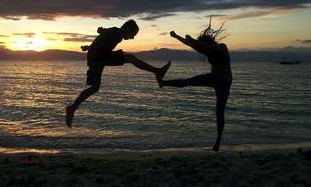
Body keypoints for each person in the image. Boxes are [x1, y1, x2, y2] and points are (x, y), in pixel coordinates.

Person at [66, 19, 171, 128]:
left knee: (95, 87)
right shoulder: (116, 34)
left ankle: (73, 108)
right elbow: (104, 37)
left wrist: (92, 42)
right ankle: (158, 72)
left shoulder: (115, 32)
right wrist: (91, 46)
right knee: (131, 59)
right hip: (98, 58)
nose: (132, 37)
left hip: (98, 56)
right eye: (132, 34)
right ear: (127, 29)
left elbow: (103, 35)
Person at [156, 19, 232, 152]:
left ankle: (218, 141)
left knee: (219, 111)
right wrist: (177, 36)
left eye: (203, 46)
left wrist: (194, 41)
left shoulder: (221, 47)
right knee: (187, 81)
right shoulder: (206, 49)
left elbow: (209, 47)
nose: (202, 50)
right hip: (212, 78)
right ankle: (163, 83)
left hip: (224, 81)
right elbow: (193, 45)